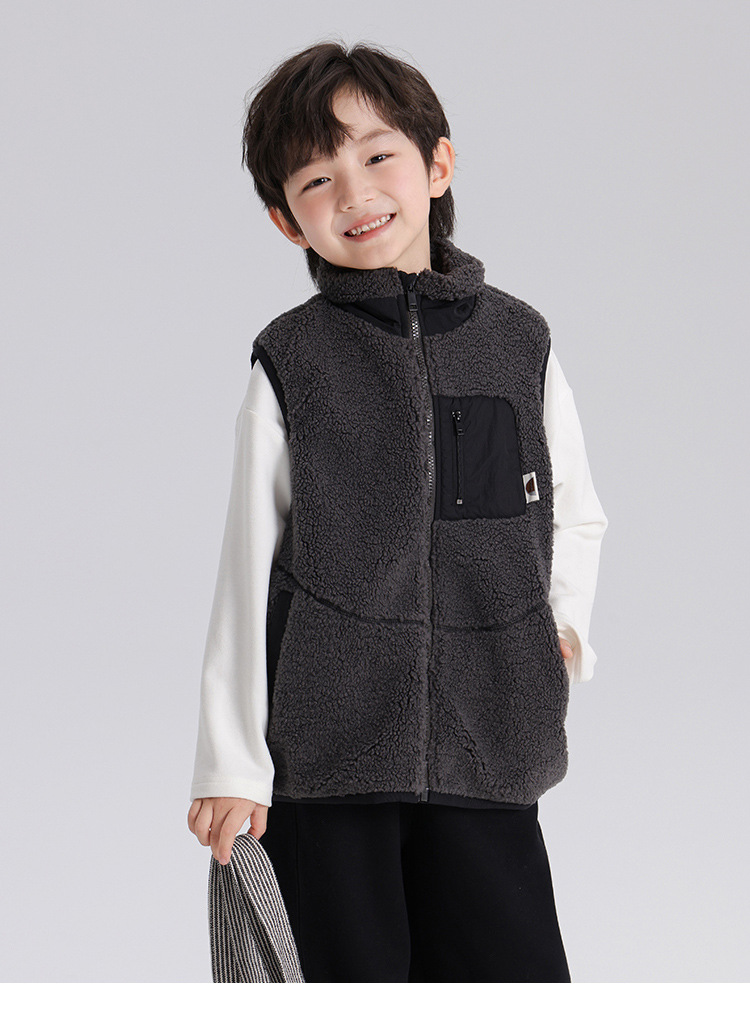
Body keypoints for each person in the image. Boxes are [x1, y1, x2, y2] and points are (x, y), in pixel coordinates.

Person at [187, 40, 608, 982]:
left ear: (437, 164)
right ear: (287, 220)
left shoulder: (520, 342)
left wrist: (563, 628)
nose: (355, 192)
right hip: (329, 757)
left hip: (489, 738)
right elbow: (245, 566)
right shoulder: (293, 361)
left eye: (378, 155)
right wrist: (231, 762)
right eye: (316, 179)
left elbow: (575, 510)